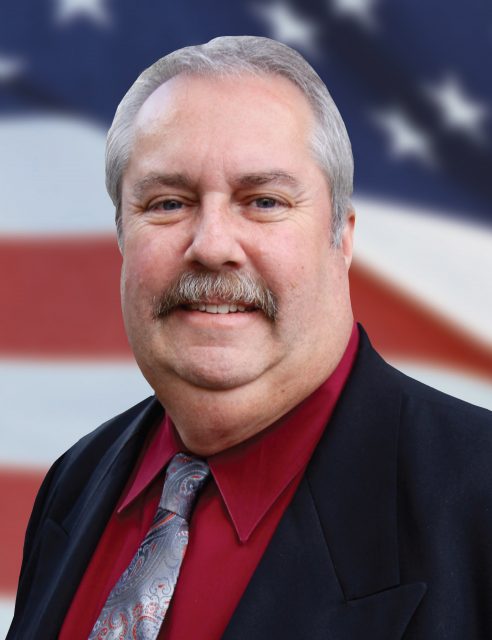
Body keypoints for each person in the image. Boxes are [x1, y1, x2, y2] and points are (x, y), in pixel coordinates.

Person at [7, 36, 492, 640]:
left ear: (341, 237)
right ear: (123, 237)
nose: (212, 245)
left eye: (263, 201)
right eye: (168, 203)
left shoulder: (477, 504)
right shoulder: (74, 486)